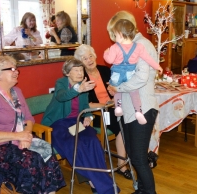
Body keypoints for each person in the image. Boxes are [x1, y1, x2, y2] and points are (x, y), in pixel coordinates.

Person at [41, 58, 119, 194]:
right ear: (67, 73)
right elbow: (61, 96)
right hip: (58, 123)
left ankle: (98, 179)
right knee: (75, 145)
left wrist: (88, 117)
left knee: (93, 141)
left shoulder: (84, 85)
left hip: (77, 121)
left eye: (81, 70)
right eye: (76, 70)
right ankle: (96, 181)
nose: (80, 73)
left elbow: (84, 106)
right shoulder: (62, 83)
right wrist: (78, 89)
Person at [0, 56, 65, 194]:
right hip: (0, 146)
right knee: (31, 159)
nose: (16, 72)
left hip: (20, 139)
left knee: (47, 152)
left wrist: (26, 135)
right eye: (11, 69)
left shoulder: (17, 92)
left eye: (16, 69)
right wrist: (19, 136)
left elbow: (29, 119)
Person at [107, 11, 159, 194]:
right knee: (135, 155)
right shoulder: (131, 46)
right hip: (131, 108)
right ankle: (143, 190)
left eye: (115, 34)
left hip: (143, 108)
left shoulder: (142, 45)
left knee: (137, 157)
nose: (114, 39)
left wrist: (117, 89)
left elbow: (141, 78)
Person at [74, 44, 133, 180]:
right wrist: (106, 105)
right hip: (97, 113)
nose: (89, 60)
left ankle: (139, 155)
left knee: (131, 117)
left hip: (113, 107)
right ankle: (122, 165)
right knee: (123, 123)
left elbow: (118, 88)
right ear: (80, 63)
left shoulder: (105, 70)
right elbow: (86, 103)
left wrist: (115, 93)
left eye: (90, 56)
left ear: (95, 56)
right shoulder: (81, 78)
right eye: (84, 59)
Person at [104, 19, 162, 125]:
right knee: (133, 93)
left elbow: (110, 60)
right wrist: (158, 66)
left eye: (115, 35)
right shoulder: (138, 46)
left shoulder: (117, 47)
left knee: (116, 88)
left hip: (119, 75)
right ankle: (138, 111)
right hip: (129, 75)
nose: (113, 38)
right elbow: (148, 58)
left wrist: (106, 53)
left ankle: (118, 108)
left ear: (121, 34)